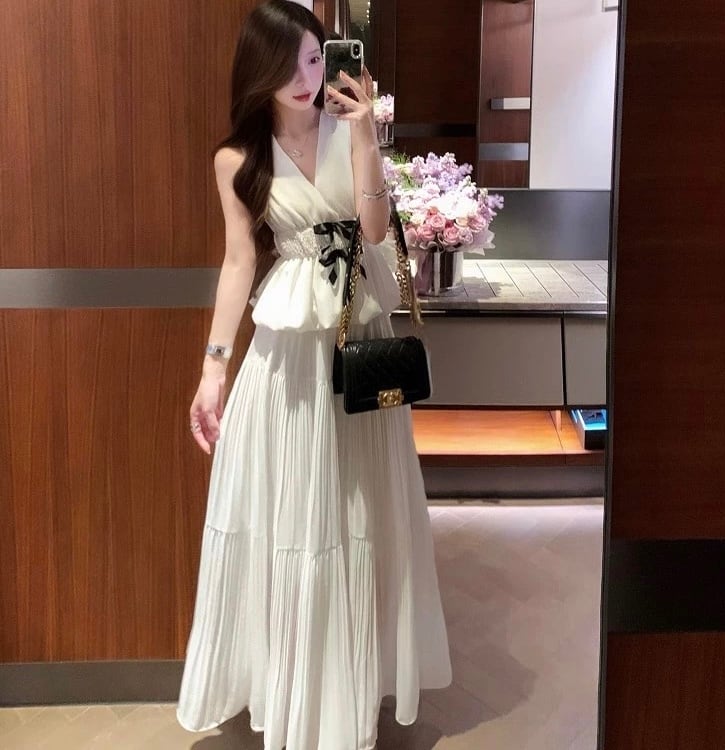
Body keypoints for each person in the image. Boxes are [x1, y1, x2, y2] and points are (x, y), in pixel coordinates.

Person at [176, 2, 451, 748]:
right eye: (290, 61)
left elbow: (373, 231)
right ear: (258, 68)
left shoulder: (347, 129)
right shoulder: (237, 159)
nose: (305, 77)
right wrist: (212, 371)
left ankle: (352, 684)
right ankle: (295, 685)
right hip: (288, 355)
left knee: (360, 511)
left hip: (360, 336)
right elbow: (239, 262)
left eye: (313, 57)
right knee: (298, 511)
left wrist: (365, 136)